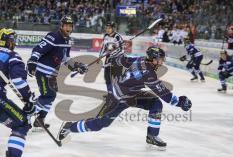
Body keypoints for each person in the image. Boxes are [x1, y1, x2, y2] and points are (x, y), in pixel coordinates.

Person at [58, 46, 192, 148]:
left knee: (155, 103)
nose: (162, 62)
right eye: (160, 60)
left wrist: (117, 53)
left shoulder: (140, 59)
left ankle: (152, 135)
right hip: (118, 98)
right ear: (153, 59)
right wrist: (181, 102)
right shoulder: (148, 73)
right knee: (101, 123)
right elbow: (166, 95)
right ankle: (70, 126)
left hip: (131, 94)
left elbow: (123, 60)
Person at [27, 15, 88, 129]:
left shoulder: (68, 40)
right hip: (43, 72)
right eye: (66, 26)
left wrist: (77, 66)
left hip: (52, 74)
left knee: (51, 95)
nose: (68, 28)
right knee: (48, 95)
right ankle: (27, 113)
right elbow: (38, 49)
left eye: (70, 26)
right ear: (61, 26)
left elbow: (66, 59)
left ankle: (39, 119)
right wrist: (32, 61)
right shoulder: (53, 36)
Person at [0, 28, 35, 157]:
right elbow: (18, 81)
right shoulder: (12, 55)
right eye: (12, 40)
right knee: (22, 124)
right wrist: (28, 99)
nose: (14, 43)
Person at [99, 21, 124, 94]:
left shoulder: (118, 37)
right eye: (106, 28)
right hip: (108, 60)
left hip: (117, 60)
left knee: (117, 79)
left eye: (109, 28)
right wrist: (100, 55)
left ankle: (119, 94)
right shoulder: (106, 36)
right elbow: (103, 47)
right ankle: (110, 93)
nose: (107, 29)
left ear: (113, 28)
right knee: (107, 78)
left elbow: (121, 49)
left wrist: (113, 54)